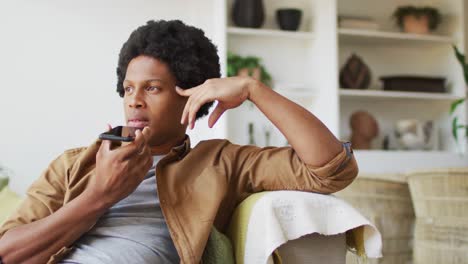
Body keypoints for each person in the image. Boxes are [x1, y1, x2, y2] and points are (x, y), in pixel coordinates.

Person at [0, 20, 358, 263]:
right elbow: (7, 252)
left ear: (190, 97)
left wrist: (254, 90)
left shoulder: (218, 162)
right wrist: (99, 195)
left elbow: (331, 169)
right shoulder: (74, 165)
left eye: (152, 88)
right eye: (128, 89)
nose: (133, 101)